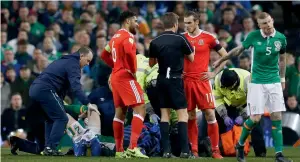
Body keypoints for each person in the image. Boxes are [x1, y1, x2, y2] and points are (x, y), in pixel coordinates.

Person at [213, 12, 292, 162]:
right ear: (259, 25)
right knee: (255, 118)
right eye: (264, 24)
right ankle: (240, 145)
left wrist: (282, 78)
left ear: (272, 20)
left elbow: (282, 59)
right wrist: (221, 59)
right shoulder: (253, 36)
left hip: (274, 81)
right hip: (256, 82)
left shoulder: (281, 38)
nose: (268, 25)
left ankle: (279, 155)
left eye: (269, 22)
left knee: (277, 117)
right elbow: (238, 50)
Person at [29, 46, 96, 156]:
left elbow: (61, 87)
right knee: (62, 118)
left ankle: (47, 148)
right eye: (87, 60)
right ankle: (50, 147)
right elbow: (76, 87)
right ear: (81, 56)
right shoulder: (74, 64)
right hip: (45, 89)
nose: (88, 64)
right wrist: (87, 103)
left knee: (51, 118)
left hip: (35, 89)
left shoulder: (64, 60)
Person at [100, 11, 148, 159]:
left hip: (116, 77)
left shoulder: (114, 37)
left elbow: (103, 54)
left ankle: (119, 151)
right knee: (140, 109)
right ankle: (133, 147)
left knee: (120, 113)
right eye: (135, 21)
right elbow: (129, 53)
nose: (138, 24)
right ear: (127, 21)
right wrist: (133, 72)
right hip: (126, 77)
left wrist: (115, 67)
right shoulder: (128, 36)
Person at [183, 11, 228, 158]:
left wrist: (214, 73)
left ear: (197, 22)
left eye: (189, 22)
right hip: (187, 82)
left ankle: (215, 150)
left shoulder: (209, 37)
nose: (186, 25)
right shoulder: (182, 38)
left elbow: (225, 56)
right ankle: (194, 150)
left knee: (209, 114)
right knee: (190, 115)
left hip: (203, 82)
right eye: (185, 22)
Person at [148, 12, 194, 158]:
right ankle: (185, 151)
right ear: (175, 24)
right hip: (175, 79)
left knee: (164, 115)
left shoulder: (155, 41)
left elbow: (151, 63)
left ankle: (166, 151)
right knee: (182, 114)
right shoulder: (181, 38)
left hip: (161, 79)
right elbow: (191, 58)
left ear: (163, 24)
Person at [213, 68, 266, 157]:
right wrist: (224, 116)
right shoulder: (218, 79)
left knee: (255, 122)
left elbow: (254, 102)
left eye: (229, 88)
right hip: (228, 103)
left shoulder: (249, 80)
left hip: (246, 104)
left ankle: (260, 152)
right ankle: (221, 150)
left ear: (235, 82)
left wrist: (243, 116)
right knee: (216, 120)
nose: (228, 90)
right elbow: (217, 99)